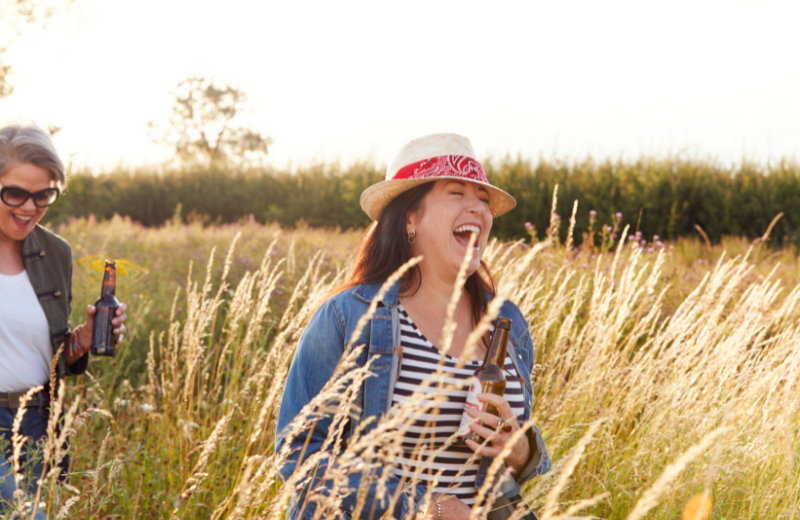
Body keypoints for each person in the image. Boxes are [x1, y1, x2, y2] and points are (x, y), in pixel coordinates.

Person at [276, 133, 550, 520]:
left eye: (484, 200)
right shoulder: (348, 318)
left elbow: (505, 473)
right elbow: (300, 456)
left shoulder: (507, 323)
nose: (479, 209)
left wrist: (520, 451)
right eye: (456, 193)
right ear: (410, 217)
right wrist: (425, 506)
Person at [0, 124, 128, 516]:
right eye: (16, 193)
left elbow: (51, 357)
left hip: (38, 421)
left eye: (43, 196)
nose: (29, 208)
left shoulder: (55, 253)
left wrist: (84, 338)